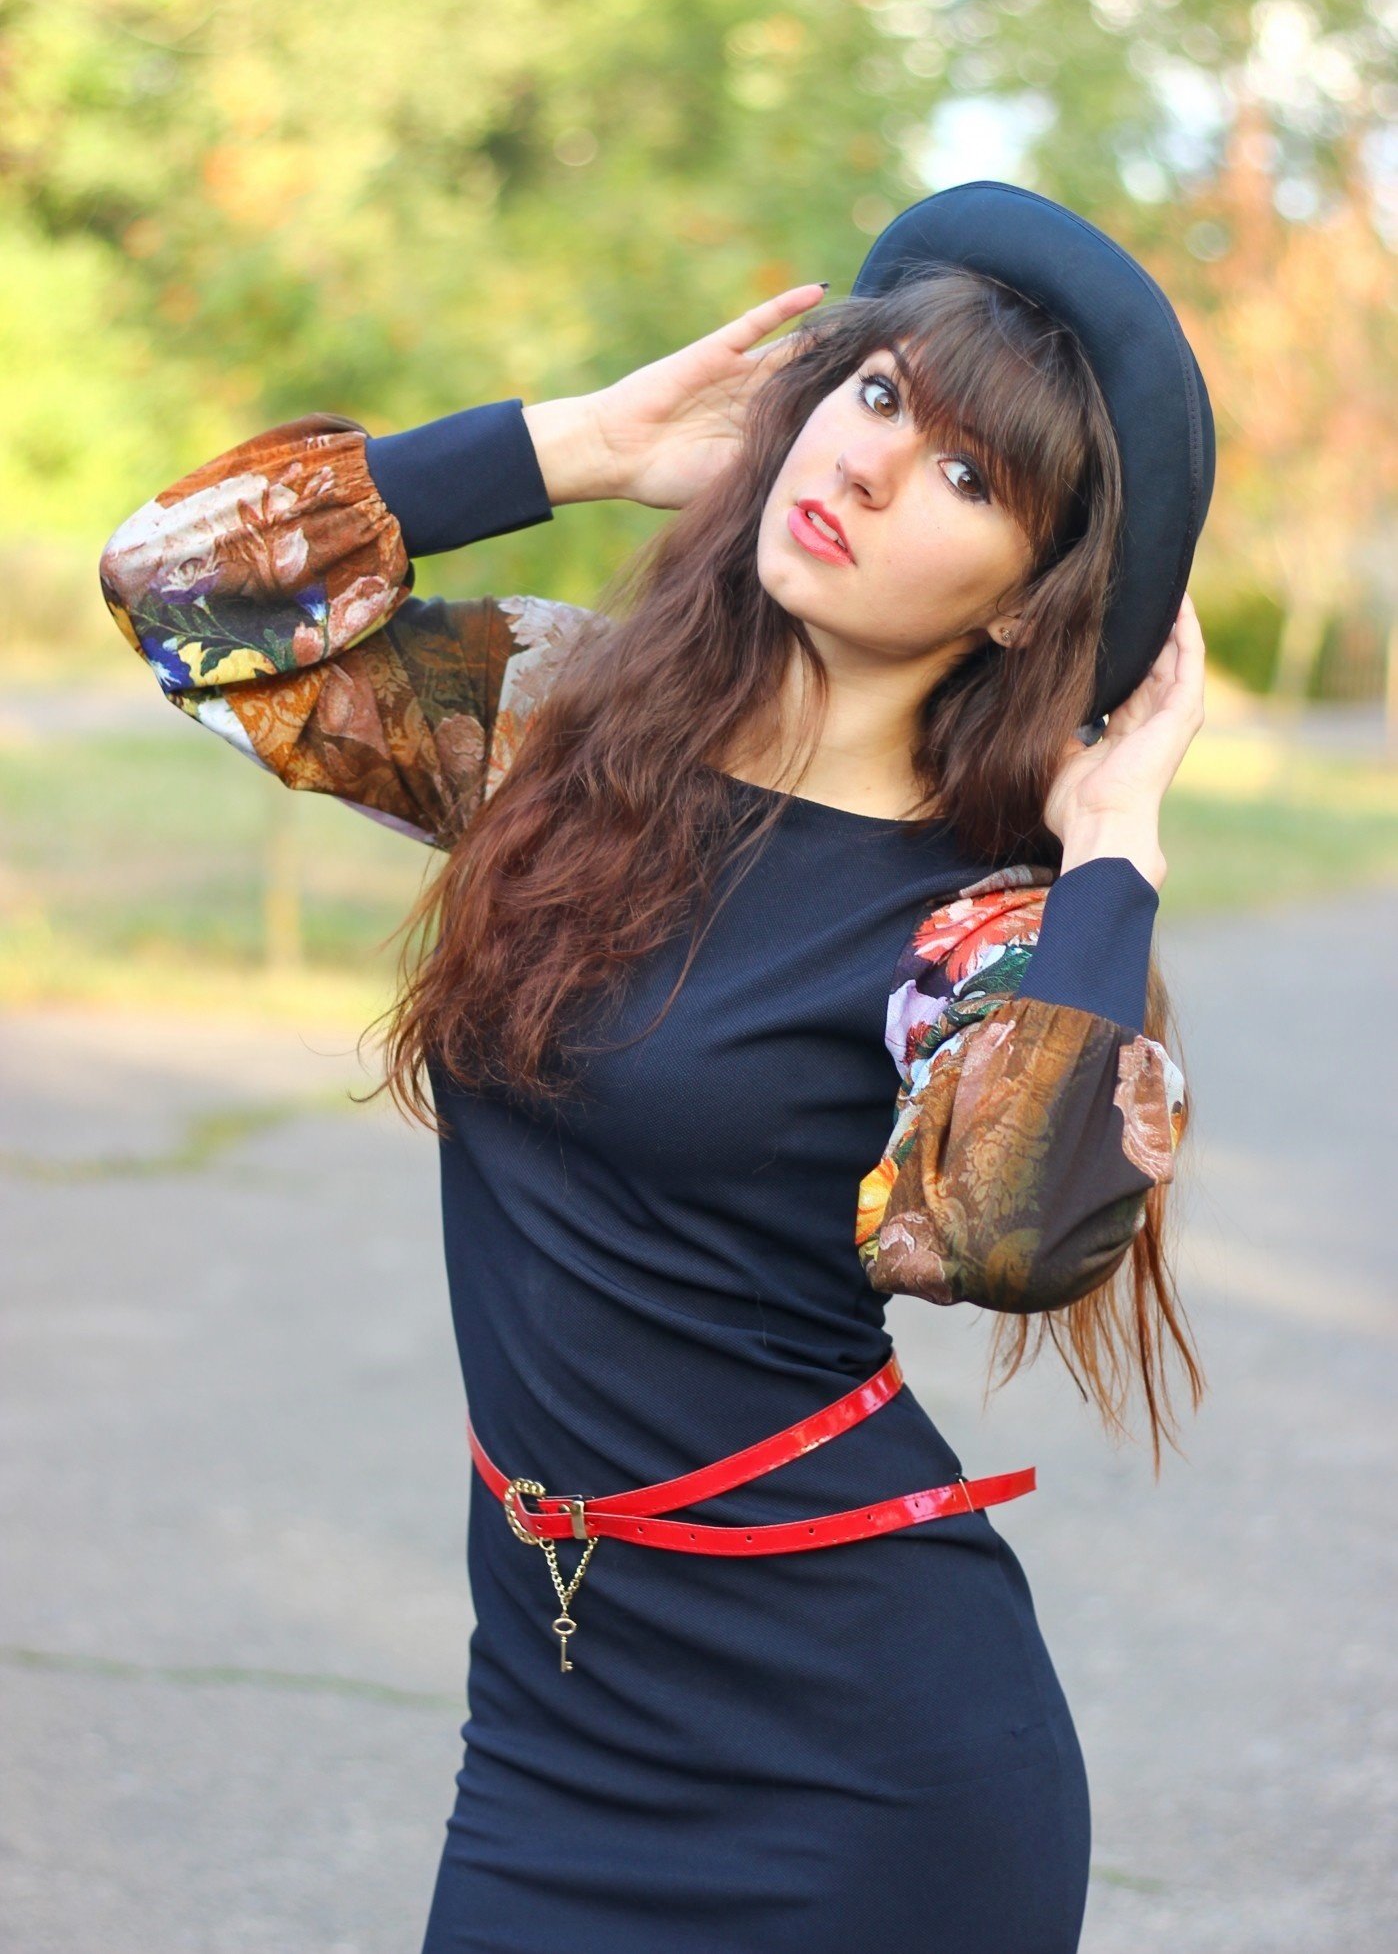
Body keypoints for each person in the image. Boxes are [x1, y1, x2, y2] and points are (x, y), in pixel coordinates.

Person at [98, 181, 1210, 1953]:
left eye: (966, 476)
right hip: (552, 1726)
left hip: (867, 1774)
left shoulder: (984, 931)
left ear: (1023, 607)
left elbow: (1010, 1230)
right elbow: (179, 591)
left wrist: (1113, 850)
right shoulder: (560, 732)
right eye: (873, 395)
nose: (866, 465)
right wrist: (571, 446)